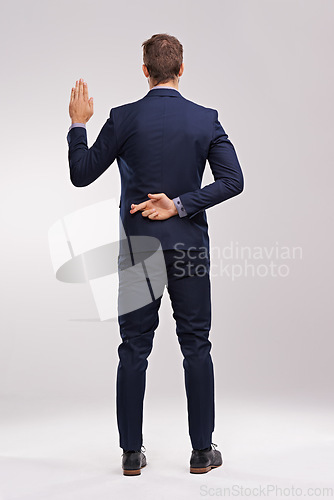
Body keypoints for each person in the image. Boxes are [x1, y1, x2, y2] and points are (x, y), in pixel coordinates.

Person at [67, 33, 244, 476]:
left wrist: (77, 124)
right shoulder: (206, 120)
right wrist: (182, 204)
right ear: (181, 70)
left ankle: (130, 453)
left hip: (139, 250)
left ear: (144, 70)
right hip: (188, 249)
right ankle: (202, 453)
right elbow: (232, 180)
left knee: (133, 349)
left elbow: (81, 174)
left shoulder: (124, 118)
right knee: (197, 346)